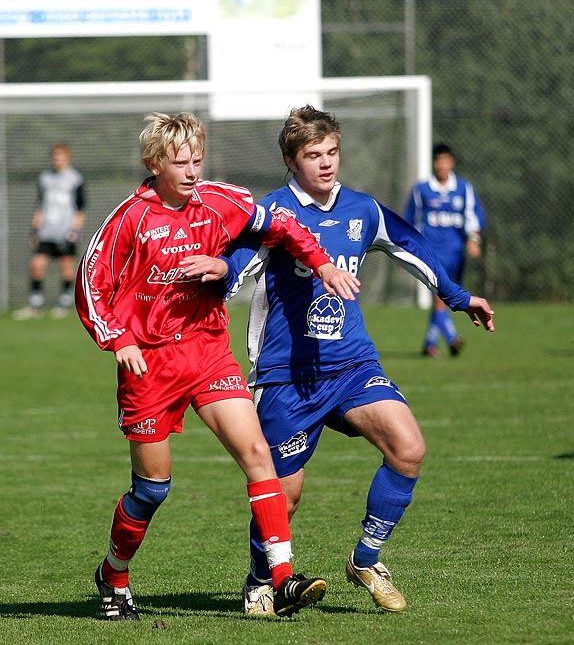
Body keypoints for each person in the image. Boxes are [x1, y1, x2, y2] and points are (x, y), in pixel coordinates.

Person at [75, 111, 360, 622]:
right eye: (180, 162)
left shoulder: (220, 201)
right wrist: (118, 339)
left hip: (207, 351)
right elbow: (90, 283)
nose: (191, 171)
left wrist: (319, 262)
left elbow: (284, 225)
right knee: (152, 490)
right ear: (154, 163)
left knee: (257, 455)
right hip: (150, 364)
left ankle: (280, 578)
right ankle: (113, 574)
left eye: (197, 161)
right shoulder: (129, 219)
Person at [211, 106, 494, 615]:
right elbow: (235, 267)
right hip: (286, 378)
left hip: (354, 367)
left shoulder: (363, 209)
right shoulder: (272, 212)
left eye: (332, 152)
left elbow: (412, 246)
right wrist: (213, 281)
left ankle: (366, 559)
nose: (326, 163)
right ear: (290, 160)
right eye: (313, 155)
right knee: (284, 496)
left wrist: (458, 296)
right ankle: (260, 579)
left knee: (408, 447)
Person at [404, 143, 486, 358]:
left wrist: (474, 240)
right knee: (441, 295)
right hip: (430, 253)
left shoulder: (463, 188)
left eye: (446, 161)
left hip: (456, 253)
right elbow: (409, 221)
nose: (442, 165)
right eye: (438, 161)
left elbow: (472, 216)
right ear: (434, 163)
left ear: (452, 163)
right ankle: (452, 339)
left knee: (443, 298)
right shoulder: (421, 190)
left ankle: (430, 344)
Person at [13, 143, 86, 320]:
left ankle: (65, 303)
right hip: (47, 231)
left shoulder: (75, 178)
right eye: (55, 156)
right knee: (37, 264)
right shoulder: (45, 178)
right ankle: (35, 303)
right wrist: (35, 230)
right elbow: (40, 206)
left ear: (68, 158)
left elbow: (80, 208)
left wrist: (74, 231)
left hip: (65, 231)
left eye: (61, 156)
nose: (58, 160)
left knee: (67, 266)